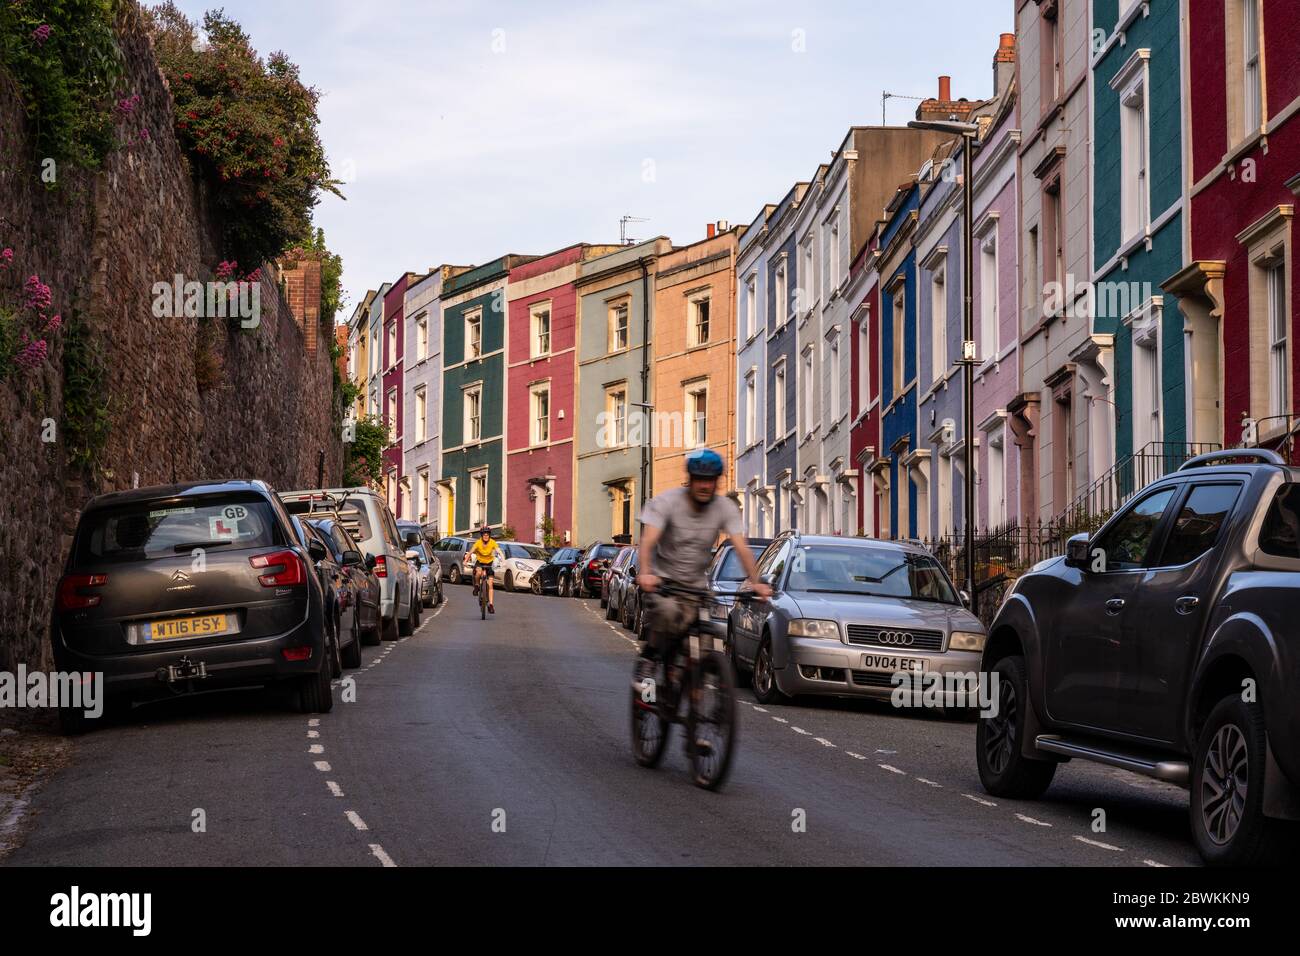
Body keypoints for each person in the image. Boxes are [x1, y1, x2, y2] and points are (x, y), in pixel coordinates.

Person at [635, 448, 771, 684]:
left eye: (710, 480)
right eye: (699, 479)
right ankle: (649, 660)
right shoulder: (667, 502)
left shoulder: (724, 508)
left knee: (704, 642)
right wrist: (645, 573)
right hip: (663, 582)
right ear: (690, 479)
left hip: (696, 587)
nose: (704, 486)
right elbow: (647, 542)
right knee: (666, 616)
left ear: (717, 481)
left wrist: (756, 583)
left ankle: (695, 703)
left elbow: (742, 548)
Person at [470, 526, 499, 614]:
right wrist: (465, 560)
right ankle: (477, 586)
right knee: (478, 572)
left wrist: (504, 559)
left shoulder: (493, 542)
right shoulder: (478, 543)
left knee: (490, 584)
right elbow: (471, 551)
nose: (486, 536)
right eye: (484, 535)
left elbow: (498, 551)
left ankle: (490, 605)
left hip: (489, 563)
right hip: (480, 562)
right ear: (482, 535)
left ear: (489, 535)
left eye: (487, 535)